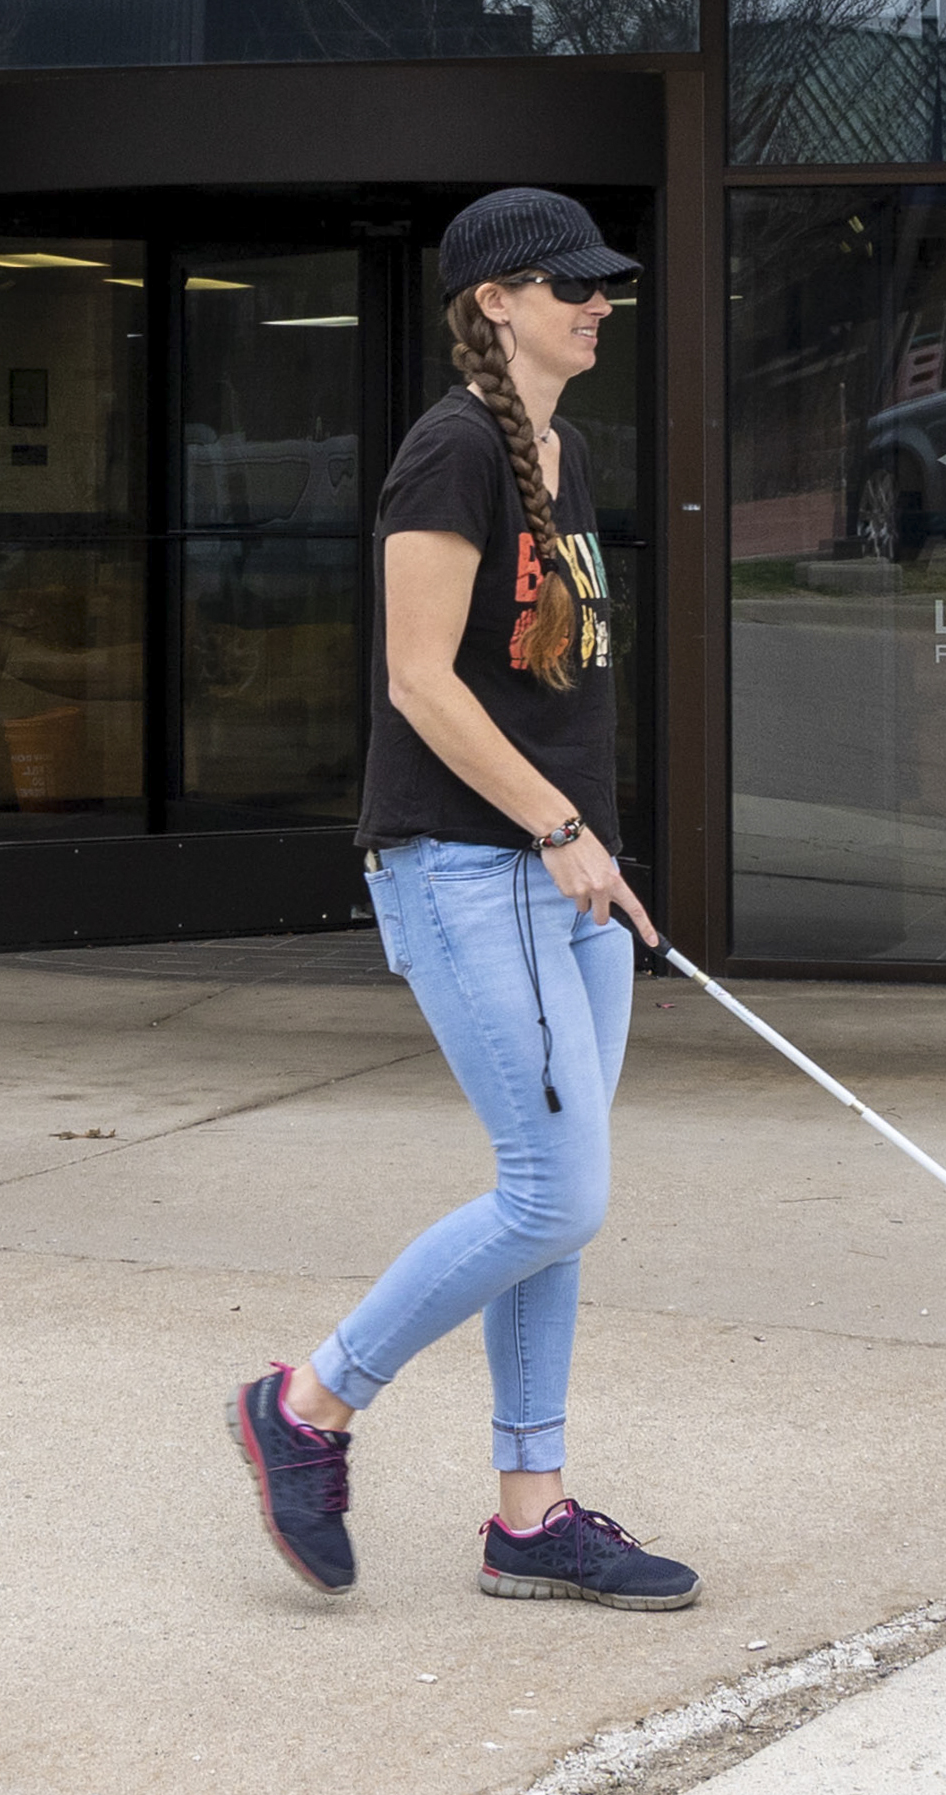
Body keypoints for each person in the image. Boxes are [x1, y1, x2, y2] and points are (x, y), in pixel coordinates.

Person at [226, 189, 700, 1611]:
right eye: (573, 285)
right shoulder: (452, 451)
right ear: (494, 299)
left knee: (559, 1206)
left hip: (568, 871)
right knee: (556, 1188)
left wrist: (594, 848)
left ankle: (530, 1513)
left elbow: (546, 684)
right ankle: (307, 1404)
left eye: (607, 285)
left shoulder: (564, 451)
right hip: (465, 860)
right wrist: (557, 827)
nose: (599, 303)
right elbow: (420, 680)